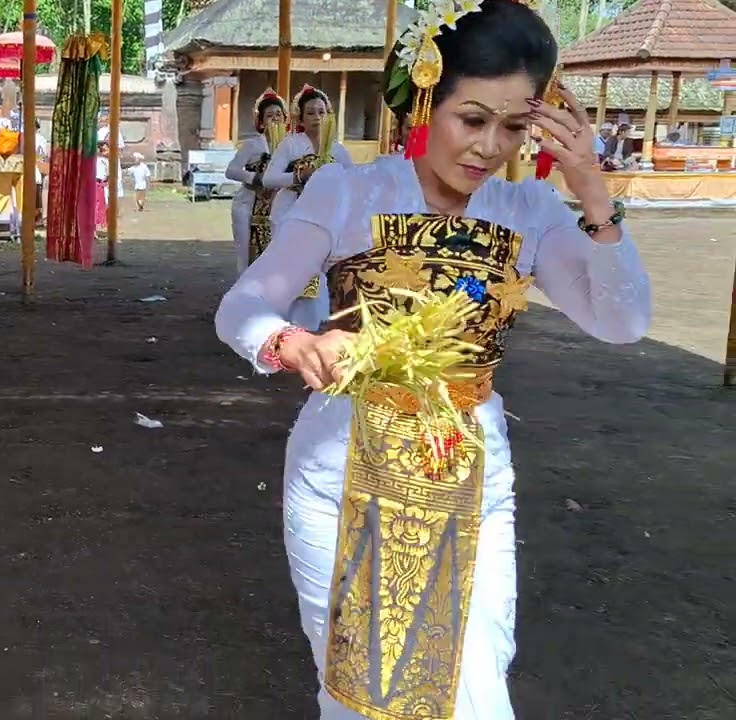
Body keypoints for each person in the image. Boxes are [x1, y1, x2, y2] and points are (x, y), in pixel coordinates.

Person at [214, 1, 651, 717]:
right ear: (428, 98)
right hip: (341, 474)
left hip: (471, 476)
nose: (488, 147)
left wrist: (593, 191)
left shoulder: (530, 212)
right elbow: (244, 306)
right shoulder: (347, 191)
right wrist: (295, 343)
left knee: (474, 693)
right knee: (359, 695)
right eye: (471, 119)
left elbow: (622, 321)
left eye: (514, 128)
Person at [263, 84, 354, 331]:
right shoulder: (291, 145)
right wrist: (300, 177)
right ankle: (284, 323)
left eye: (321, 112)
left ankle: (313, 323)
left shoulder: (338, 149)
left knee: (318, 272)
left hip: (323, 219)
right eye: (311, 112)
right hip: (289, 215)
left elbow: (352, 182)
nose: (317, 117)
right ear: (301, 118)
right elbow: (268, 179)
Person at [225, 89, 287, 275]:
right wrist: (255, 178)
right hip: (249, 205)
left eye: (278, 114)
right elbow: (231, 171)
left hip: (279, 205)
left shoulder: (290, 145)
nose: (275, 119)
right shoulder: (252, 145)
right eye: (269, 115)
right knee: (246, 257)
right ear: (261, 122)